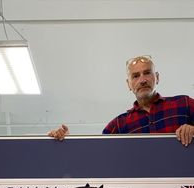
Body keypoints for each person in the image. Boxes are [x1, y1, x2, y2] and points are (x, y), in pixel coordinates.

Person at [48, 55, 194, 146]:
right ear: (129, 84)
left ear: (157, 77)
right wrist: (65, 143)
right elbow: (96, 155)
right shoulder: (118, 125)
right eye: (135, 76)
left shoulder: (183, 104)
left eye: (147, 73)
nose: (142, 80)